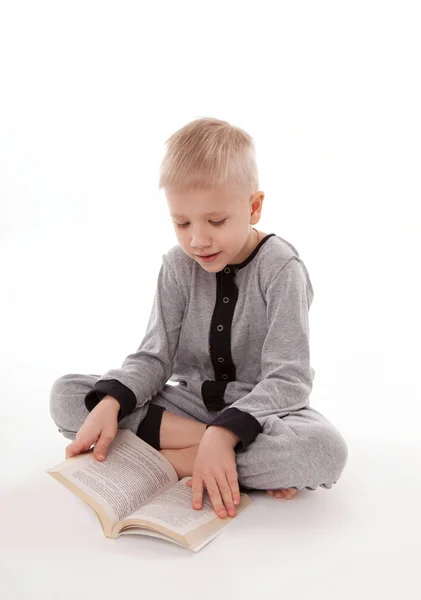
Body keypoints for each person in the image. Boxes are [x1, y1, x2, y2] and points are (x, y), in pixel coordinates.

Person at [50, 117, 348, 520]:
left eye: (216, 221)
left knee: (324, 450)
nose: (197, 240)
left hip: (262, 413)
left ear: (254, 207)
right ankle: (214, 453)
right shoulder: (178, 265)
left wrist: (229, 429)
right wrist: (112, 403)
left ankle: (177, 460)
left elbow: (288, 379)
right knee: (70, 396)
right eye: (182, 223)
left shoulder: (281, 269)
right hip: (188, 405)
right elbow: (155, 358)